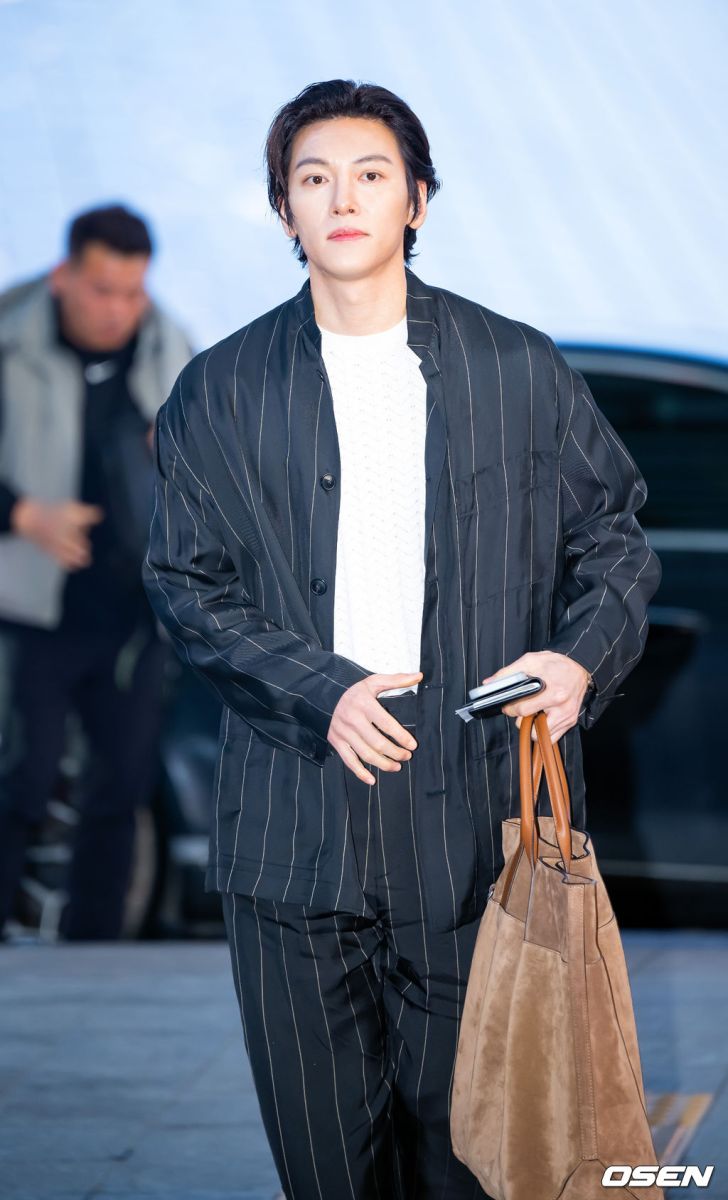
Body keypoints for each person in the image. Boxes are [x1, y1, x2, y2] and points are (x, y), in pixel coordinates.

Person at [143, 80, 661, 1199]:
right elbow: (185, 582)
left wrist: (578, 657)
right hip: (292, 826)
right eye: (313, 178)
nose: (343, 199)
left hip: (476, 823)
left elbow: (615, 541)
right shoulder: (220, 389)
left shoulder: (512, 367)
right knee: (325, 1166)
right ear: (283, 208)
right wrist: (321, 689)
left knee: (473, 1158)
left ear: (417, 200)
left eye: (371, 175)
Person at [0, 204, 193, 941]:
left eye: (133, 292)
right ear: (63, 276)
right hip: (25, 610)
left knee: (121, 791)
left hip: (131, 618)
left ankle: (98, 962)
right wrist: (24, 516)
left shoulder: (172, 352)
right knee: (19, 782)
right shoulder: (9, 340)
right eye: (102, 290)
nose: (118, 310)